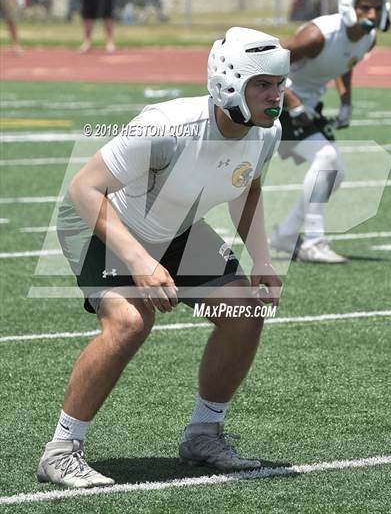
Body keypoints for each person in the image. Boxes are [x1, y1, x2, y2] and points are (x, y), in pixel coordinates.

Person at [37, 27, 290, 488]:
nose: (276, 96)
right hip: (101, 222)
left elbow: (246, 186)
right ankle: (60, 450)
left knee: (244, 311)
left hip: (174, 228)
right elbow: (83, 190)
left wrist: (263, 260)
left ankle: (204, 435)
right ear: (229, 83)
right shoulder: (167, 127)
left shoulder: (266, 132)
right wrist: (140, 262)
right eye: (263, 85)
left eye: (279, 84)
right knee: (130, 323)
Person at [271, 0, 391, 263]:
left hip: (308, 104)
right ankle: (313, 240)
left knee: (334, 173)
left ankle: (287, 235)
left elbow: (345, 62)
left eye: (376, 7)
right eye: (364, 7)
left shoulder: (368, 38)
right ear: (349, 5)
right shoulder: (318, 35)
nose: (371, 14)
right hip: (277, 99)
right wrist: (294, 103)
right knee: (326, 159)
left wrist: (346, 102)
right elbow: (270, 61)